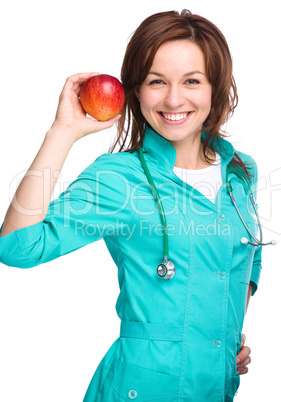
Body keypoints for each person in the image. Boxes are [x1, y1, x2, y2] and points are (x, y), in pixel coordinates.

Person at [0, 9, 260, 402]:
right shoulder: (119, 178)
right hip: (140, 388)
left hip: (217, 386)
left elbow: (248, 260)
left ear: (215, 88)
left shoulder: (241, 171)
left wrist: (220, 337)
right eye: (157, 81)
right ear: (136, 90)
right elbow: (18, 247)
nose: (174, 99)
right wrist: (63, 132)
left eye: (192, 81)